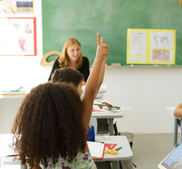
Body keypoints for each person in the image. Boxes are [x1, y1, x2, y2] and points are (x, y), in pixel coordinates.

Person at [11, 33, 110, 168]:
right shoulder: (79, 124)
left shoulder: (39, 136)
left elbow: (90, 90)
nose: (82, 90)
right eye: (81, 86)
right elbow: (91, 90)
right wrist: (99, 59)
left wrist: (100, 60)